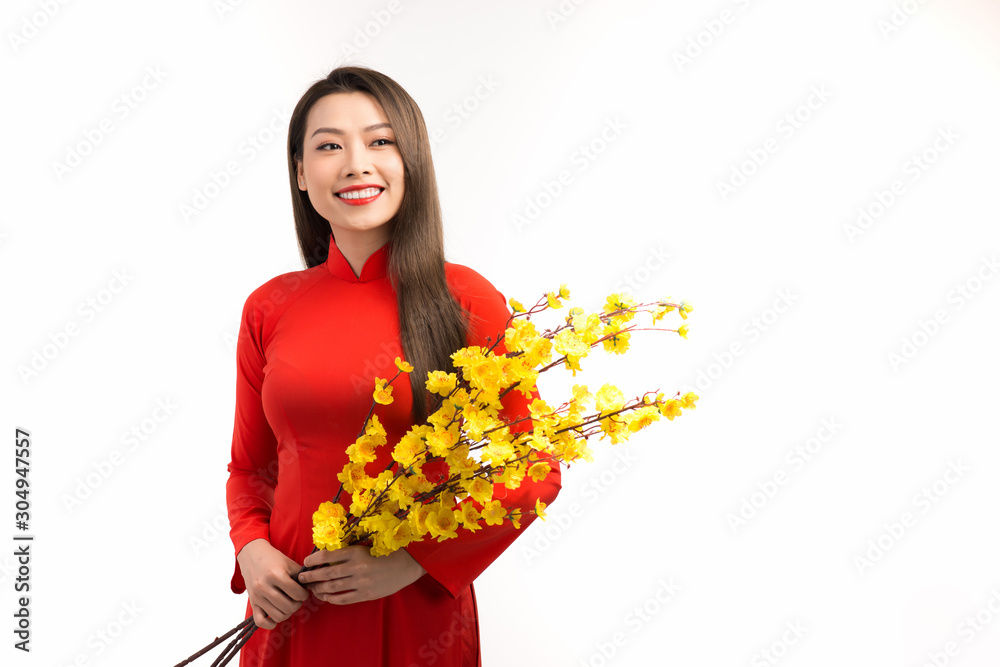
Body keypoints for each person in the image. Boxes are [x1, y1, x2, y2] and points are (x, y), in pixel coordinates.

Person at [225, 65, 561, 667]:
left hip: (414, 613)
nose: (356, 163)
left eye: (380, 141)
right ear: (301, 173)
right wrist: (252, 548)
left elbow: (534, 468)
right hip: (290, 608)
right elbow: (251, 468)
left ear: (412, 161)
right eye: (329, 146)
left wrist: (414, 560)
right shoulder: (269, 307)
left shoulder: (466, 301)